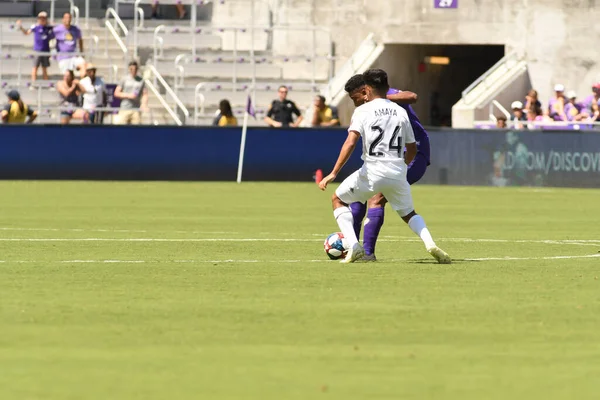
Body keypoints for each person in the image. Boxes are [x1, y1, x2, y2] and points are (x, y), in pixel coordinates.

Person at [318, 69, 451, 264]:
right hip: (398, 168)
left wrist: (333, 173)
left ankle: (356, 247)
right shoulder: (400, 110)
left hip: (374, 169)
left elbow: (350, 142)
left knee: (339, 199)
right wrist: (402, 166)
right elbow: (411, 148)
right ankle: (429, 243)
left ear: (367, 90)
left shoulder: (363, 110)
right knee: (408, 213)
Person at [344, 74, 430, 261]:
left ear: (365, 90)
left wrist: (382, 99)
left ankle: (367, 253)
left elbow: (412, 96)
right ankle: (353, 246)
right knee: (358, 194)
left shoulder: (384, 96)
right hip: (388, 158)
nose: (355, 102)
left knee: (377, 197)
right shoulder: (367, 108)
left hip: (412, 153)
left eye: (355, 98)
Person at [16, 12, 54, 82]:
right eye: (40, 18)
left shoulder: (49, 28)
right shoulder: (35, 27)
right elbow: (26, 33)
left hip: (45, 50)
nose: (42, 20)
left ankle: (46, 84)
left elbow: (54, 33)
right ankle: (33, 84)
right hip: (37, 51)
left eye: (44, 19)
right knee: (35, 68)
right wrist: (21, 27)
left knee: (44, 68)